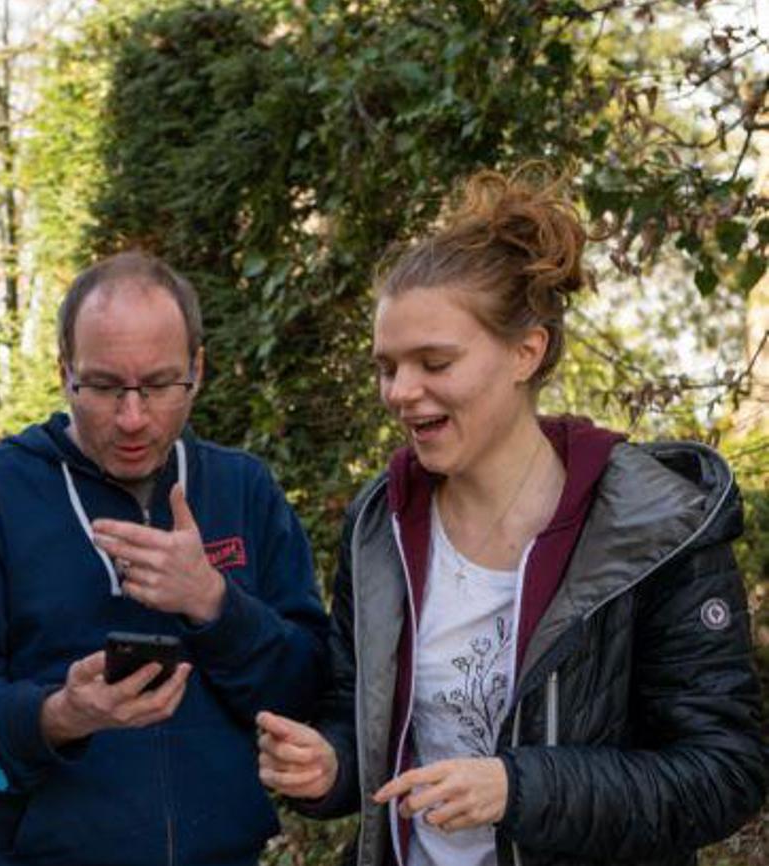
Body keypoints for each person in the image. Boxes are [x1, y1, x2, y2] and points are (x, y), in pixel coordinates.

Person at [255, 168, 767, 866]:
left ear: (526, 352)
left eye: (435, 362)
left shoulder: (654, 527)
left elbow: (723, 774)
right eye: (387, 367)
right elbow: (359, 714)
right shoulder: (382, 527)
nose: (402, 392)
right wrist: (333, 766)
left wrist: (518, 788)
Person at [0, 251, 330, 865]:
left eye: (160, 385)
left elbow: (309, 691)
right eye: (103, 387)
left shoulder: (244, 491)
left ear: (198, 369)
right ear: (64, 372)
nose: (133, 418)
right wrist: (57, 717)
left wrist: (215, 604)